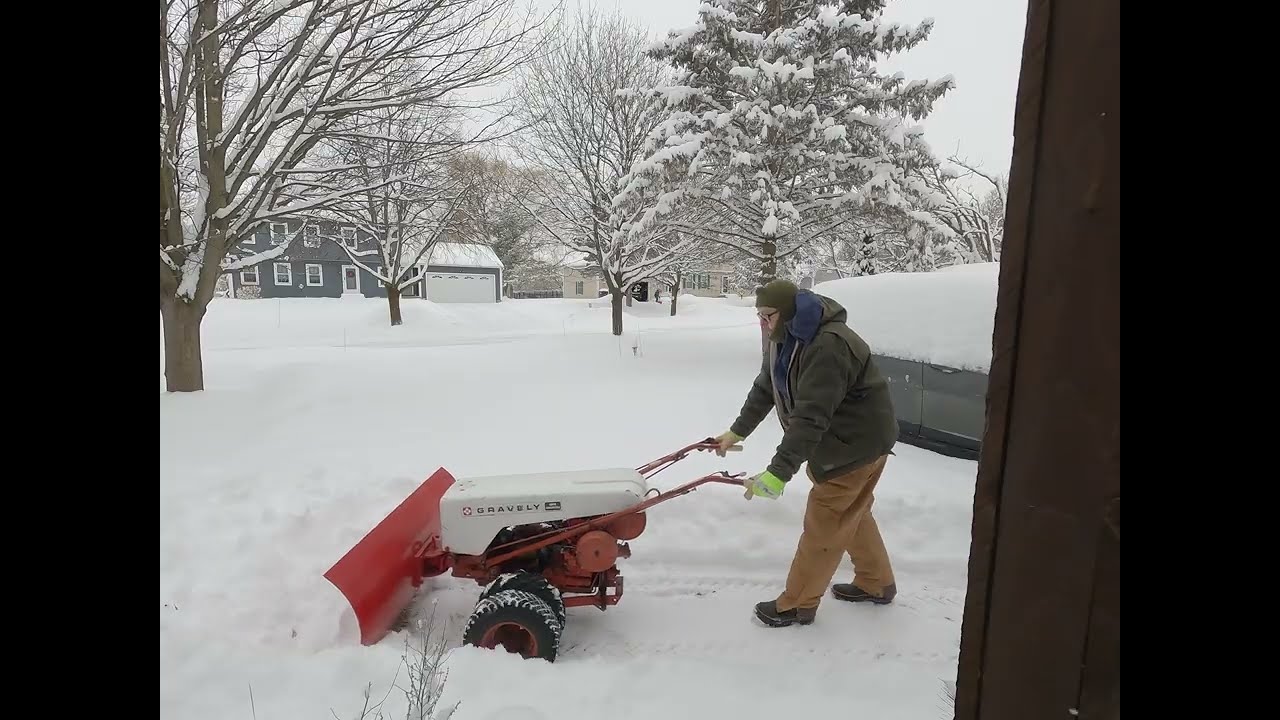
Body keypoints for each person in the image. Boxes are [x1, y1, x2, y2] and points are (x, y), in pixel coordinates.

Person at [714, 279, 901, 627]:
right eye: (758, 317)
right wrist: (737, 431)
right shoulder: (784, 336)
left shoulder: (829, 345)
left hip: (853, 445)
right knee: (852, 512)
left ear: (786, 313)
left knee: (825, 524)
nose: (763, 324)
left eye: (767, 316)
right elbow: (766, 386)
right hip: (842, 442)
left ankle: (797, 604)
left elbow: (811, 418)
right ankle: (877, 582)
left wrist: (777, 473)